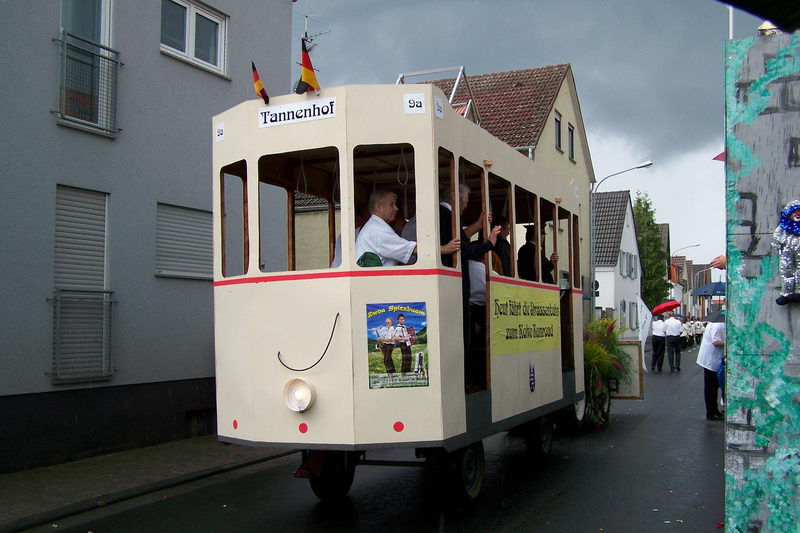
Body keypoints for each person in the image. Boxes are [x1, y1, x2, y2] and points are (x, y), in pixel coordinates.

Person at [356, 189, 459, 266]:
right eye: (391, 205)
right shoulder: (378, 230)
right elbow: (411, 249)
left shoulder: (374, 226)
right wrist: (444, 249)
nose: (396, 209)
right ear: (379, 207)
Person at [696, 314, 725, 420]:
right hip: (711, 360)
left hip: (713, 359)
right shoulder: (718, 325)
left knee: (714, 386)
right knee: (711, 388)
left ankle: (714, 410)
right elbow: (716, 342)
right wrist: (731, 343)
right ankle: (711, 412)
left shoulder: (719, 324)